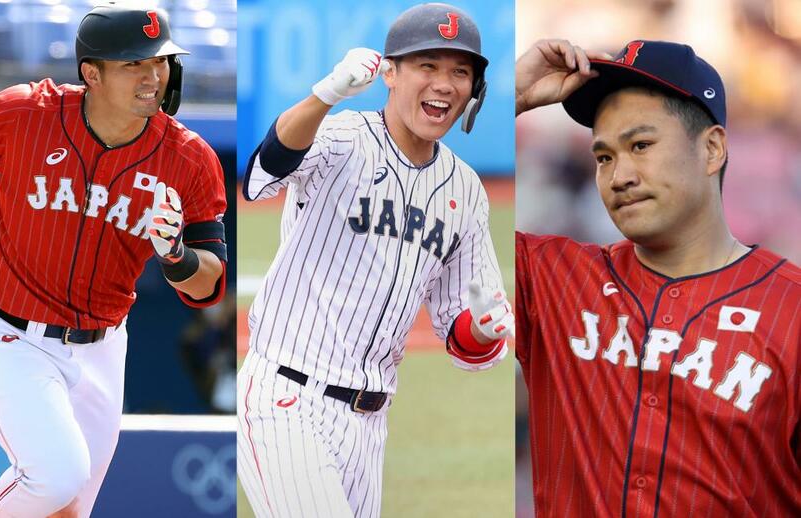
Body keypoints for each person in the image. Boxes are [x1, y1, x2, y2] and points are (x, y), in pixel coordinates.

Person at [237, 3, 514, 516]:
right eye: (427, 65)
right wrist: (325, 96)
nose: (444, 83)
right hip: (287, 396)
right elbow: (261, 174)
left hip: (369, 424)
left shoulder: (466, 191)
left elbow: (463, 340)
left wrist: (484, 328)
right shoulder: (343, 138)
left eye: (460, 71)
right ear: (390, 72)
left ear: (474, 90)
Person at [515, 39, 799, 516]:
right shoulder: (554, 277)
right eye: (603, 157)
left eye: (641, 146)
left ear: (711, 149)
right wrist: (509, 98)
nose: (619, 175)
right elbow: (436, 203)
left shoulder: (791, 310)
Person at [0, 4, 227, 517]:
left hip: (102, 347)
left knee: (69, 509)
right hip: (8, 332)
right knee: (54, 478)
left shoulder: (190, 158)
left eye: (159, 62)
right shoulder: (27, 113)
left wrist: (176, 256)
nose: (152, 75)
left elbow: (208, 285)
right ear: (91, 74)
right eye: (133, 63)